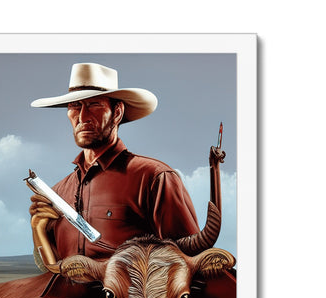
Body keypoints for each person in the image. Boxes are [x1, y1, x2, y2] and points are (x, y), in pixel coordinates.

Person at [29, 62, 200, 279]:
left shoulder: (154, 177)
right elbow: (49, 270)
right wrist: (38, 230)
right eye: (74, 106)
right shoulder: (58, 192)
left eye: (93, 105)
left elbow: (188, 261)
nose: (82, 117)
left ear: (117, 112)